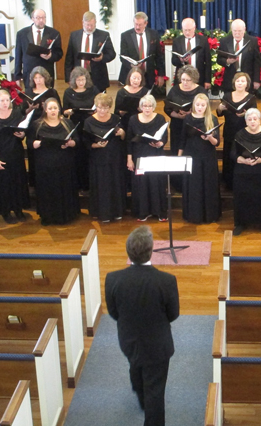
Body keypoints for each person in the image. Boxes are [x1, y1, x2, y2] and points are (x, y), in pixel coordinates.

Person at [105, 226, 179, 426]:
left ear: (128, 251)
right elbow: (173, 314)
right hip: (157, 345)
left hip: (129, 341)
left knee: (136, 367)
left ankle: (140, 394)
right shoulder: (166, 281)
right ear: (151, 250)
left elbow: (113, 312)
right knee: (155, 392)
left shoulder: (113, 279)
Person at [30, 98, 80, 225]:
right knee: (47, 190)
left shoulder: (67, 123)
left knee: (64, 189)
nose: (53, 111)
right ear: (45, 110)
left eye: (55, 108)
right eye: (50, 108)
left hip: (64, 163)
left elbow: (77, 141)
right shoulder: (37, 124)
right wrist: (37, 143)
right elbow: (30, 143)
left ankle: (66, 215)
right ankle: (48, 216)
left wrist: (70, 143)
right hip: (45, 164)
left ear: (59, 110)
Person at [0, 89, 30, 224]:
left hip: (16, 154)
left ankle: (18, 209)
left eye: (7, 100)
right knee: (3, 185)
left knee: (18, 182)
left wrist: (22, 135)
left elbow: (23, 130)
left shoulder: (16, 114)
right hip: (0, 156)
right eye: (2, 100)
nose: (5, 103)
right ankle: (6, 212)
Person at [231, 108, 261, 237]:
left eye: (255, 119)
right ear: (245, 121)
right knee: (242, 197)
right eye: (249, 119)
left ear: (259, 120)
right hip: (243, 171)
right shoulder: (239, 134)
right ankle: (240, 224)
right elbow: (233, 153)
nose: (252, 122)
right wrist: (243, 161)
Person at [84, 92, 127, 223]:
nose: (102, 110)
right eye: (100, 107)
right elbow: (85, 141)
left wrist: (122, 133)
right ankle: (102, 213)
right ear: (95, 106)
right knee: (102, 185)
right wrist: (96, 145)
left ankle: (117, 211)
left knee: (115, 183)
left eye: (105, 108)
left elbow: (124, 137)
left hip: (114, 157)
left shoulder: (115, 119)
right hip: (98, 158)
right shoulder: (89, 121)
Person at [179, 93, 221, 224]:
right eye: (197, 105)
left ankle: (209, 215)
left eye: (203, 105)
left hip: (207, 155)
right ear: (193, 105)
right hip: (192, 154)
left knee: (208, 184)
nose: (200, 107)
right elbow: (182, 138)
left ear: (207, 106)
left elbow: (217, 143)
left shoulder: (212, 119)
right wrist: (180, 155)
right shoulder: (188, 119)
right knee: (193, 185)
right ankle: (193, 215)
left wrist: (209, 137)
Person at [127, 94, 169, 222]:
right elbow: (129, 140)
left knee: (157, 182)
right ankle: (143, 212)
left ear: (153, 107)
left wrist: (160, 143)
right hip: (139, 155)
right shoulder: (133, 119)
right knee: (141, 184)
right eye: (145, 106)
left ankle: (160, 212)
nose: (147, 108)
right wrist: (129, 159)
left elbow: (164, 137)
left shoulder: (160, 118)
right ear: (141, 107)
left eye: (150, 106)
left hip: (155, 153)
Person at [216, 72, 257, 191]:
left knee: (242, 154)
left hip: (243, 131)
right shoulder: (227, 96)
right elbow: (219, 113)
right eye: (238, 81)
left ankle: (241, 181)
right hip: (229, 130)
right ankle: (228, 182)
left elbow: (255, 114)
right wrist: (219, 108)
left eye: (243, 81)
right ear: (234, 83)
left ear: (247, 84)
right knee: (229, 155)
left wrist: (246, 114)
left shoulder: (251, 98)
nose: (240, 83)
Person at [62, 66, 100, 192]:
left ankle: (90, 183)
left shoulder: (93, 90)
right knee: (77, 155)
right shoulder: (68, 92)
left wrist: (95, 111)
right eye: (78, 80)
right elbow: (64, 111)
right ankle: (78, 183)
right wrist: (67, 111)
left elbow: (99, 104)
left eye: (83, 80)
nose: (81, 82)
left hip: (90, 125)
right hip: (75, 125)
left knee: (89, 154)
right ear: (74, 80)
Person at [23, 66, 61, 187]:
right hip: (32, 124)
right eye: (36, 78)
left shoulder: (52, 92)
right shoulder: (28, 92)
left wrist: (48, 107)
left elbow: (60, 109)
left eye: (40, 77)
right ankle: (34, 181)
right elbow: (22, 112)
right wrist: (30, 108)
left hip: (48, 123)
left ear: (45, 78)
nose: (38, 80)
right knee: (33, 150)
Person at [64, 11, 116, 92]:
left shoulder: (103, 35)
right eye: (87, 25)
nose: (89, 28)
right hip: (79, 76)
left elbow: (112, 54)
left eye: (92, 25)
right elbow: (69, 58)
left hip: (98, 77)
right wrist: (68, 77)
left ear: (95, 22)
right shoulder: (74, 35)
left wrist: (102, 58)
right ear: (83, 23)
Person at [14, 9, 63, 89]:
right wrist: (17, 75)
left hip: (46, 72)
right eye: (38, 18)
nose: (41, 20)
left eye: (43, 18)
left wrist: (51, 55)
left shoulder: (54, 33)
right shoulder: (22, 34)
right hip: (29, 72)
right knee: (30, 97)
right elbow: (18, 55)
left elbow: (59, 53)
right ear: (32, 18)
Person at [163, 65, 204, 159]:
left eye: (188, 80)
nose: (185, 82)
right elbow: (167, 108)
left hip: (194, 126)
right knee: (176, 152)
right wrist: (177, 115)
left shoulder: (200, 90)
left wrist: (192, 113)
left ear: (193, 79)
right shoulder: (175, 89)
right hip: (177, 126)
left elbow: (206, 108)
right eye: (183, 79)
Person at [118, 12, 165, 90]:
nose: (137, 27)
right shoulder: (125, 36)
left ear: (146, 23)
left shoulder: (153, 34)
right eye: (136, 24)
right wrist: (131, 65)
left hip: (148, 75)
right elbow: (123, 57)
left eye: (140, 24)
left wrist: (160, 75)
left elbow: (158, 56)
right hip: (131, 75)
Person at [216, 19, 261, 93]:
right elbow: (219, 59)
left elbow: (257, 62)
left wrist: (256, 80)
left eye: (240, 31)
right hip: (230, 80)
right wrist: (227, 61)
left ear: (244, 30)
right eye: (235, 31)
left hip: (247, 79)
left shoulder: (252, 41)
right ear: (231, 30)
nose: (237, 33)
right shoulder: (224, 41)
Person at [171, 17, 211, 90]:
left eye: (189, 30)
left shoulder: (203, 40)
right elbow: (173, 61)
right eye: (185, 30)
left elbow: (208, 61)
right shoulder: (177, 41)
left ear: (194, 28)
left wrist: (207, 80)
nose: (187, 32)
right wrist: (181, 60)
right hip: (182, 78)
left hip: (199, 77)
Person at [115, 66, 149, 132]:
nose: (136, 80)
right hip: (126, 120)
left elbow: (151, 108)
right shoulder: (121, 92)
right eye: (134, 78)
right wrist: (121, 112)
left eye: (138, 78)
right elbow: (116, 111)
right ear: (129, 78)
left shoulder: (145, 91)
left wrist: (143, 109)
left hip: (141, 120)